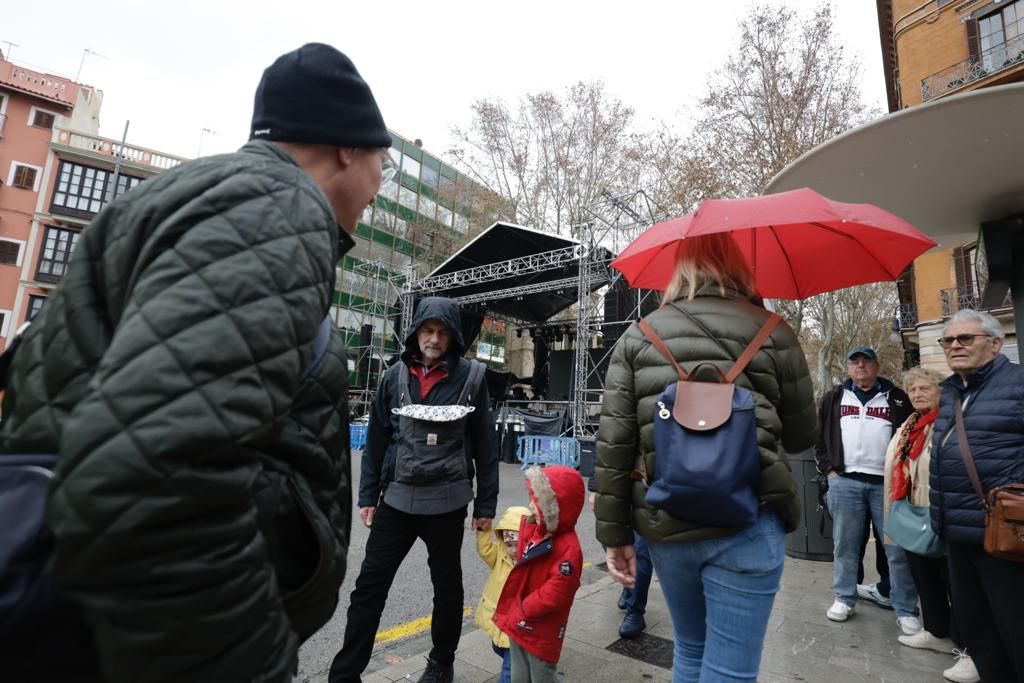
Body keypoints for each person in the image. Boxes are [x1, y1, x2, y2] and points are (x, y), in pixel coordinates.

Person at [0, 43, 389, 681]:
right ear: (347, 146)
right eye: (382, 163)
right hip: (135, 639)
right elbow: (154, 476)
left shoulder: (192, 197)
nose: (378, 186)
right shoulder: (272, 211)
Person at [595, 233, 817, 682]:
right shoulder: (775, 332)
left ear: (679, 270)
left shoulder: (641, 335)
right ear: (739, 269)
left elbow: (613, 445)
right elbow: (800, 436)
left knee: (691, 651)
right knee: (731, 670)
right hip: (750, 520)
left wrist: (615, 535)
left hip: (667, 522)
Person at [329, 296, 499, 683]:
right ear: (416, 333)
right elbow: (376, 440)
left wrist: (485, 504)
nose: (434, 339)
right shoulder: (394, 376)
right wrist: (368, 495)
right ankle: (344, 674)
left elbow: (487, 446)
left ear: (453, 336)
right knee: (368, 587)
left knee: (446, 585)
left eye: (442, 332)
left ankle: (441, 663)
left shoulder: (472, 378)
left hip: (448, 500)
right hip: (398, 498)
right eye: (427, 330)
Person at [929, 309, 1024, 682]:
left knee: (1015, 629)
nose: (954, 346)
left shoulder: (1017, 384)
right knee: (978, 629)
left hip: (1006, 537)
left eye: (965, 339)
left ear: (996, 343)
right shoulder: (951, 390)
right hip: (958, 533)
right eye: (948, 340)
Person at [814, 345, 921, 634]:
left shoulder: (897, 398)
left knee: (896, 549)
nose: (861, 366)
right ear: (847, 368)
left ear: (876, 366)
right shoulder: (834, 398)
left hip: (887, 485)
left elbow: (912, 436)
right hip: (845, 482)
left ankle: (904, 608)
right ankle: (844, 598)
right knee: (845, 546)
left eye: (867, 361)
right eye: (855, 362)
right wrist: (830, 472)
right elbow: (819, 437)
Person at [882, 367, 978, 683]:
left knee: (958, 584)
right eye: (913, 390)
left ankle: (972, 650)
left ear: (939, 391)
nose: (918, 394)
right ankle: (937, 632)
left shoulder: (951, 420)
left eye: (925, 388)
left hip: (944, 513)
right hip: (912, 513)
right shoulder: (911, 424)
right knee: (925, 577)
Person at [493, 466, 585, 683]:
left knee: (542, 675)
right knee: (519, 674)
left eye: (537, 502)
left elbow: (558, 591)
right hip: (520, 619)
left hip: (541, 627)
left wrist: (523, 608)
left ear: (555, 508)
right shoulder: (537, 530)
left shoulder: (569, 549)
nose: (530, 507)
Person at [589, 480, 653, 638]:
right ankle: (628, 586)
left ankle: (636, 609)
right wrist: (595, 486)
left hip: (649, 485)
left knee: (640, 550)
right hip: (615, 483)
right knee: (611, 541)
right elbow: (601, 455)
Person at [475, 505, 531, 683]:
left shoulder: (533, 562)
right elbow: (485, 550)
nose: (513, 550)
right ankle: (525, 668)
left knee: (509, 670)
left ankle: (518, 671)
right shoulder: (500, 554)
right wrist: (484, 531)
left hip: (518, 623)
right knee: (498, 647)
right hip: (500, 618)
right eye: (509, 545)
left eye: (518, 544)